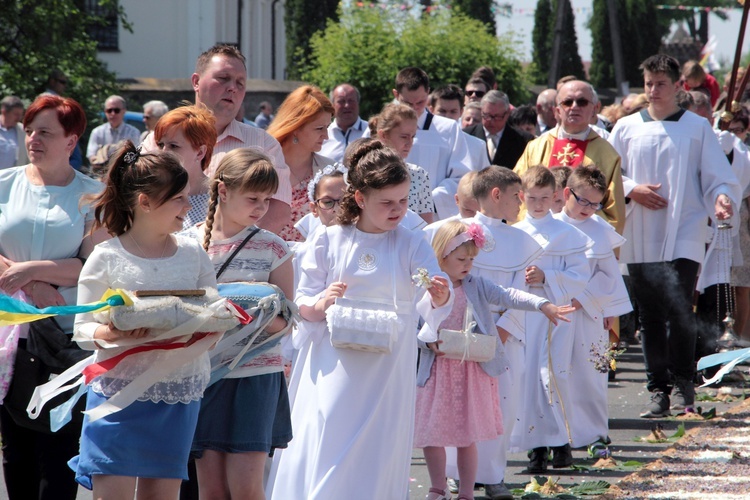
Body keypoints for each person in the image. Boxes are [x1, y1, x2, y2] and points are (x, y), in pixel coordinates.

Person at [268, 140, 452, 499]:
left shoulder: (412, 242)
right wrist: (320, 304)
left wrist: (440, 295)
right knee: (332, 427)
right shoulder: (330, 239)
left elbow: (432, 286)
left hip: (388, 358)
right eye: (387, 203)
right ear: (360, 199)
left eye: (402, 201)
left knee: (379, 440)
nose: (397, 210)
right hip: (336, 357)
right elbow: (302, 298)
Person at [70, 142, 221, 498]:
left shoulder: (193, 253)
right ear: (146, 202)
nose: (188, 205)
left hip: (177, 393)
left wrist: (205, 328)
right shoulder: (105, 256)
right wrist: (112, 330)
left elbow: (214, 313)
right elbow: (81, 330)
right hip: (117, 395)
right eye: (179, 199)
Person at [608, 54, 741, 418]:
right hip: (642, 229)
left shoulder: (695, 128)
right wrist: (632, 188)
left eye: (660, 84)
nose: (652, 91)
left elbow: (716, 174)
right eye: (648, 84)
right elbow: (607, 175)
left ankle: (684, 384)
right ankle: (657, 390)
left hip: (684, 225)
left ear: (679, 86)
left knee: (681, 307)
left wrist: (722, 197)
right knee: (651, 315)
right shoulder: (626, 128)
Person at [416, 220, 573, 500]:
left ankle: (466, 492)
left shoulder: (475, 285)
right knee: (432, 433)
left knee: (467, 435)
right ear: (441, 256)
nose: (467, 265)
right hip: (438, 370)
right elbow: (415, 323)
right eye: (461, 259)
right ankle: (437, 487)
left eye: (472, 260)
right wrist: (427, 341)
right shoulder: (427, 285)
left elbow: (507, 295)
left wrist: (542, 304)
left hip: (470, 370)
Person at [0, 94, 106, 500]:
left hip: (64, 342)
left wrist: (38, 272)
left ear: (71, 140)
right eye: (29, 131)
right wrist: (30, 283)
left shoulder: (93, 194)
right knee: (16, 454)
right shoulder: (5, 184)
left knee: (60, 453)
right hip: (10, 338)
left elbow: (92, 263)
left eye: (45, 132)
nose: (33, 140)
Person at [185, 149, 292, 500]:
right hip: (203, 374)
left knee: (246, 488)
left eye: (266, 199)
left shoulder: (275, 248)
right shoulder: (185, 244)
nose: (261, 207)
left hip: (255, 376)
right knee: (211, 490)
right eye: (253, 197)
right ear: (223, 190)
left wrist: (242, 313)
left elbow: (285, 323)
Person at [445, 166, 544, 500]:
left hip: (502, 336)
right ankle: (458, 474)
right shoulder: (455, 231)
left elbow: (519, 292)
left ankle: (493, 473)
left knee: (500, 403)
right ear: (496, 194)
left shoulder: (521, 242)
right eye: (517, 195)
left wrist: (501, 331)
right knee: (457, 401)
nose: (522, 203)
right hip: (458, 333)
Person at [142, 44, 291, 235]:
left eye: (240, 83)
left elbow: (277, 212)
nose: (232, 88)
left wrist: (229, 251)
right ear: (196, 81)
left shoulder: (263, 145)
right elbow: (141, 200)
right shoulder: (158, 140)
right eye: (223, 78)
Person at [510, 166, 592, 473]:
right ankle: (537, 449)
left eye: (545, 197)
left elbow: (579, 276)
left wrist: (548, 277)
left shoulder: (567, 234)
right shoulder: (514, 231)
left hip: (555, 317)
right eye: (532, 198)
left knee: (551, 376)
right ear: (521, 196)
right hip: (522, 317)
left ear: (556, 196)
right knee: (526, 378)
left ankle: (561, 444)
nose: (538, 204)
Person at [555, 165, 631, 459]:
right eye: (582, 201)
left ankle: (594, 434)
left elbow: (607, 276)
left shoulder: (600, 230)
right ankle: (558, 435)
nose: (588, 209)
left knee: (591, 374)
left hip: (589, 312)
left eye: (595, 203)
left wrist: (586, 301)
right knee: (556, 372)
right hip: (555, 311)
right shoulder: (550, 225)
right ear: (566, 193)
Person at [515, 80, 626, 233]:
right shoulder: (535, 147)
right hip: (538, 238)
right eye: (567, 102)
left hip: (584, 240)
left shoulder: (606, 153)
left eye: (582, 102)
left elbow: (614, 212)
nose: (574, 107)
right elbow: (516, 195)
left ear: (595, 109)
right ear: (557, 111)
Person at [391, 67, 473, 219]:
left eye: (420, 102)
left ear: (428, 93)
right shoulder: (383, 128)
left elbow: (461, 177)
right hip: (390, 212)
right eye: (407, 103)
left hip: (435, 216)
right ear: (396, 94)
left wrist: (425, 200)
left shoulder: (448, 129)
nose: (414, 108)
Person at [267, 85, 336, 242]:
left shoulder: (329, 171)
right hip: (266, 260)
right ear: (296, 127)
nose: (326, 136)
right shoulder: (261, 165)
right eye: (319, 128)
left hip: (314, 263)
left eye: (327, 127)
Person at [153, 105, 217, 230]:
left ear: (200, 152)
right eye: (160, 145)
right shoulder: (152, 193)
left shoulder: (219, 199)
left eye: (173, 146)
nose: (164, 152)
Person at [370, 103, 435, 223]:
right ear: (383, 135)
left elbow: (427, 228)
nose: (410, 142)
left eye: (413, 136)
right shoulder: (366, 172)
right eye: (404, 136)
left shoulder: (419, 174)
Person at [463, 90, 533, 169]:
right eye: (487, 115)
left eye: (497, 117)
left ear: (507, 114)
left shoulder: (523, 140)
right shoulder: (466, 136)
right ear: (481, 111)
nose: (491, 121)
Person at [86, 95, 141, 164]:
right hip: (101, 172)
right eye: (109, 110)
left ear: (124, 111)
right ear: (105, 112)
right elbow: (91, 156)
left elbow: (135, 157)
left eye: (116, 110)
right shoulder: (97, 132)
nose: (113, 113)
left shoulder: (133, 132)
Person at [319, 83, 367, 163]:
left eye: (351, 101)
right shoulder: (321, 135)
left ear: (358, 103)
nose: (347, 105)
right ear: (332, 105)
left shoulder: (371, 131)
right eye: (341, 101)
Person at [0, 96, 27, 169]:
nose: (19, 118)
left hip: (13, 178)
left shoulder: (23, 131)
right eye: (16, 114)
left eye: (21, 115)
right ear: (4, 112)